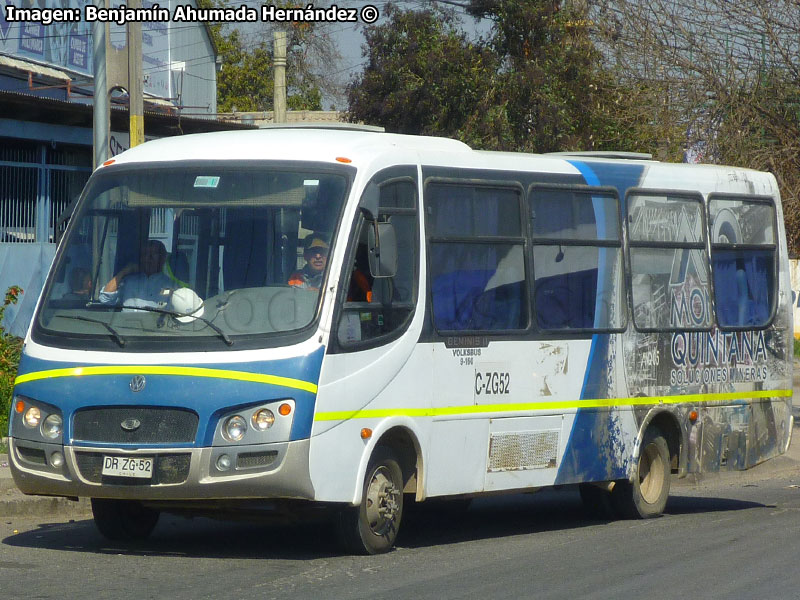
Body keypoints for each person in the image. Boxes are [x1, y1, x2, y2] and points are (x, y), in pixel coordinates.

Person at [99, 239, 174, 308]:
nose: (149, 258)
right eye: (145, 254)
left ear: (163, 258)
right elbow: (104, 299)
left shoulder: (171, 286)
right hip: (124, 322)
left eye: (153, 254)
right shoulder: (127, 282)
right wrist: (123, 272)